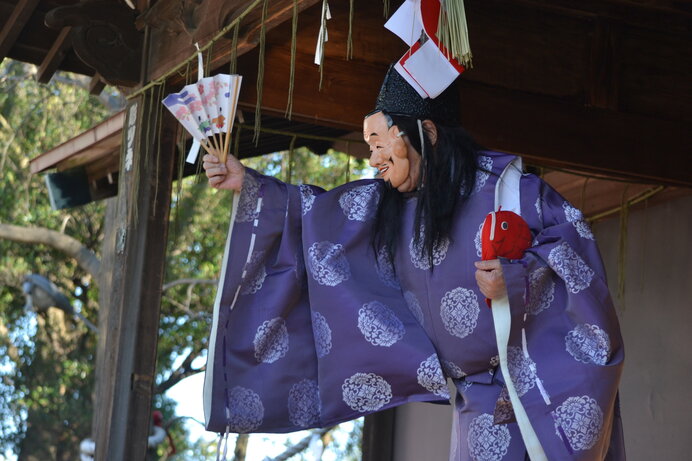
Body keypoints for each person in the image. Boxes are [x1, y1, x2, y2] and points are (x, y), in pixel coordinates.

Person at [201, 67, 624, 460]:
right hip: (472, 405)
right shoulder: (384, 207)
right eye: (369, 147)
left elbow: (576, 266)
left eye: (380, 142)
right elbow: (312, 215)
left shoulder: (513, 193)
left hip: (537, 394)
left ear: (426, 132)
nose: (372, 160)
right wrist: (252, 185)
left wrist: (518, 282)